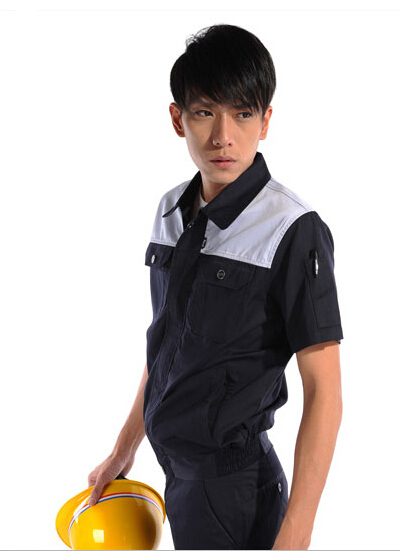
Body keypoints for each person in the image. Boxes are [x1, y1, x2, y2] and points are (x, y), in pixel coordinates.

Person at [87, 23, 344, 550]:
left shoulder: (293, 230)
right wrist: (124, 447)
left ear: (265, 121)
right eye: (205, 112)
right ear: (177, 119)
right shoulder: (170, 211)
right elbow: (167, 349)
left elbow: (325, 392)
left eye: (243, 114)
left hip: (236, 495)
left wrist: (296, 534)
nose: (224, 136)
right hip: (177, 479)